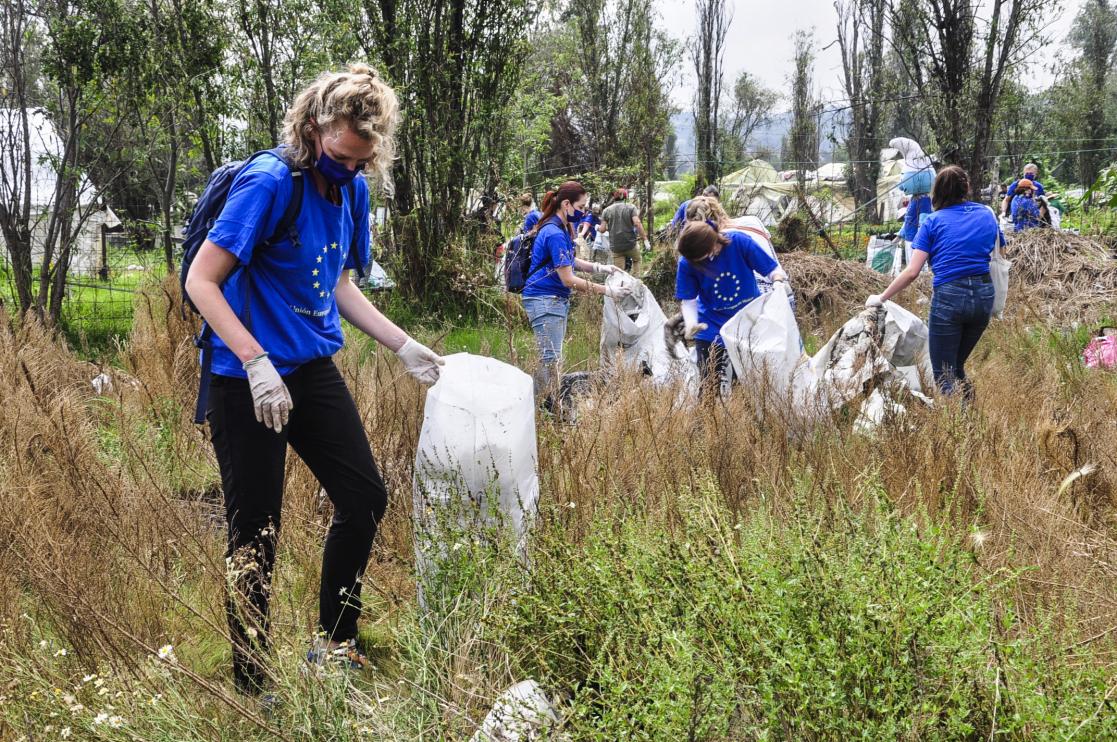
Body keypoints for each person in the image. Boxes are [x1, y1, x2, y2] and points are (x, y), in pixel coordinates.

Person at [184, 64, 444, 695]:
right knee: (257, 529)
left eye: (363, 160)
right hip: (244, 378)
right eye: (341, 155)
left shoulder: (352, 192)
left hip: (309, 368)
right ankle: (250, 679)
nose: (350, 169)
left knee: (364, 497)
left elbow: (341, 287)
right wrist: (254, 361)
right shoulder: (270, 181)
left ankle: (335, 642)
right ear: (312, 128)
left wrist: (404, 345)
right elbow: (201, 280)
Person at [866, 165, 1005, 400]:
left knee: (943, 373)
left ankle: (957, 426)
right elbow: (1002, 252)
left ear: (936, 191)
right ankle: (971, 411)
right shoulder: (986, 214)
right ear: (967, 187)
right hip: (983, 296)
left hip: (950, 297)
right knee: (957, 365)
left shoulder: (932, 222)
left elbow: (912, 271)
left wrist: (881, 298)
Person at [522, 181, 631, 404]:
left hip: (553, 300)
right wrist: (608, 291)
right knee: (549, 361)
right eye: (580, 207)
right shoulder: (554, 232)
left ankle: (547, 406)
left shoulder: (559, 228)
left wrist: (600, 267)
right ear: (566, 204)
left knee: (553, 359)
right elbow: (568, 278)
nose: (583, 212)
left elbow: (569, 260)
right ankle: (538, 408)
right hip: (544, 300)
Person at [675, 220, 790, 395]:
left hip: (747, 318)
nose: (698, 263)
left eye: (701, 258)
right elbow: (688, 300)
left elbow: (771, 269)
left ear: (712, 245)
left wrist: (778, 282)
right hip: (710, 323)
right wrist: (691, 323)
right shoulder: (687, 263)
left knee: (744, 378)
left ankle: (741, 416)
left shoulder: (739, 242)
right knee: (708, 380)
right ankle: (705, 419)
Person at [890, 137, 935, 263]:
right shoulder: (914, 201)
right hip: (910, 238)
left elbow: (924, 219)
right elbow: (909, 220)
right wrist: (900, 234)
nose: (901, 185)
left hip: (918, 241)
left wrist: (922, 235)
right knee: (911, 261)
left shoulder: (925, 200)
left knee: (918, 264)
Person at [600, 188, 649, 275]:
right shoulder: (631, 207)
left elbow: (602, 230)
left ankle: (621, 286)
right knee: (637, 260)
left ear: (614, 198)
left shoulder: (606, 211)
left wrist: (599, 228)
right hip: (630, 243)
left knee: (619, 272)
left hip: (616, 246)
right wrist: (645, 239)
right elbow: (637, 223)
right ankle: (636, 280)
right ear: (625, 197)